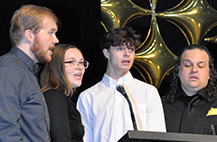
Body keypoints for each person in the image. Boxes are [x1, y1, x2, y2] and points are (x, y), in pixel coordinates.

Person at [77, 27, 166, 142]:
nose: (127, 54)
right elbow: (85, 139)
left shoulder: (148, 92)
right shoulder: (88, 97)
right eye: (120, 49)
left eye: (131, 50)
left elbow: (158, 137)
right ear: (106, 53)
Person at [0, 4, 59, 141]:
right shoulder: (10, 70)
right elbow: (4, 130)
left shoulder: (26, 71)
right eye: (50, 32)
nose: (56, 40)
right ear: (30, 35)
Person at [162, 44, 217, 135]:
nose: (194, 70)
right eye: (187, 65)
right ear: (178, 71)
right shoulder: (160, 105)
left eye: (200, 66)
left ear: (209, 73)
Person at [40, 44, 88, 142]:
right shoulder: (54, 97)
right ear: (56, 66)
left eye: (82, 62)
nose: (80, 68)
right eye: (71, 62)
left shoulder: (62, 98)